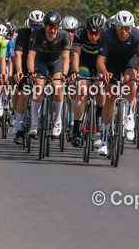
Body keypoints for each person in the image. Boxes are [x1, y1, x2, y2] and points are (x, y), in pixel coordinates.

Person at [96, 10, 139, 156]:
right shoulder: (107, 34)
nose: (123, 32)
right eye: (120, 28)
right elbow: (100, 60)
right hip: (111, 62)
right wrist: (104, 72)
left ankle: (130, 115)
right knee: (111, 96)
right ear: (115, 26)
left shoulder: (137, 35)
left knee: (132, 82)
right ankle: (104, 141)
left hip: (129, 62)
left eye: (126, 28)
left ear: (131, 27)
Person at [26, 11, 72, 139]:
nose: (52, 31)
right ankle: (34, 124)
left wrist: (64, 73)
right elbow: (31, 55)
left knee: (57, 87)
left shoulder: (64, 35)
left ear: (59, 26)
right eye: (49, 27)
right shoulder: (37, 33)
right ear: (44, 26)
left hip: (57, 61)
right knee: (39, 85)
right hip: (41, 61)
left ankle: (57, 120)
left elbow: (65, 58)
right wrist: (31, 72)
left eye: (55, 27)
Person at [70, 13, 106, 147]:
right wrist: (75, 71)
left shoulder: (105, 36)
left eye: (97, 33)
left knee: (100, 87)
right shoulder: (80, 34)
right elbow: (76, 54)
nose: (94, 36)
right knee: (82, 91)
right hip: (84, 63)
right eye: (91, 32)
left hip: (99, 63)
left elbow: (106, 58)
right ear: (86, 30)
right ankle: (76, 131)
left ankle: (99, 117)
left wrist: (103, 74)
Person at [12, 10, 45, 144]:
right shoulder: (22, 33)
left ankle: (36, 123)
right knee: (24, 94)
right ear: (29, 24)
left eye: (39, 26)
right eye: (34, 26)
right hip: (25, 64)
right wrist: (19, 71)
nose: (36, 28)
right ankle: (19, 128)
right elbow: (18, 55)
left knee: (39, 90)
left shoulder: (45, 34)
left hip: (40, 63)